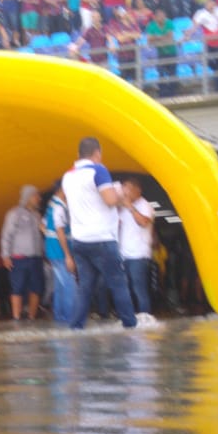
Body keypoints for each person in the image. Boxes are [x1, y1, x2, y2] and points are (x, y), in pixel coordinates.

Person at [62, 137, 137, 330]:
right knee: (118, 283)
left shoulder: (68, 177)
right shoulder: (98, 170)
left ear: (78, 155)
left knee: (85, 287)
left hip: (79, 241)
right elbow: (110, 200)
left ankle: (76, 327)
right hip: (102, 239)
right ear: (97, 154)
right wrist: (122, 195)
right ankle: (130, 325)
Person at [0, 185, 45, 321]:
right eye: (36, 195)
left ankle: (32, 316)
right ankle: (16, 316)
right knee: (17, 287)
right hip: (19, 257)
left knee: (36, 287)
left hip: (36, 257)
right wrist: (5, 255)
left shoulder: (37, 216)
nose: (39, 198)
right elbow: (6, 235)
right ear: (28, 197)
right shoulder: (14, 214)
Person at [118, 178, 155, 317]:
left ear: (137, 190)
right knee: (126, 289)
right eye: (123, 188)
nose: (124, 192)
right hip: (124, 254)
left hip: (139, 255)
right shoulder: (123, 208)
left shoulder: (145, 205)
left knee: (139, 289)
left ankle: (145, 317)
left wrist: (130, 207)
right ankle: (130, 318)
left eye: (127, 188)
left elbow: (143, 222)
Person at [43, 186, 75, 324]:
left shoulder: (52, 205)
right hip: (60, 251)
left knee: (60, 285)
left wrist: (49, 240)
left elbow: (42, 225)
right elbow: (60, 231)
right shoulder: (60, 208)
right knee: (69, 284)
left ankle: (60, 317)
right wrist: (68, 255)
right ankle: (70, 318)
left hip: (53, 250)